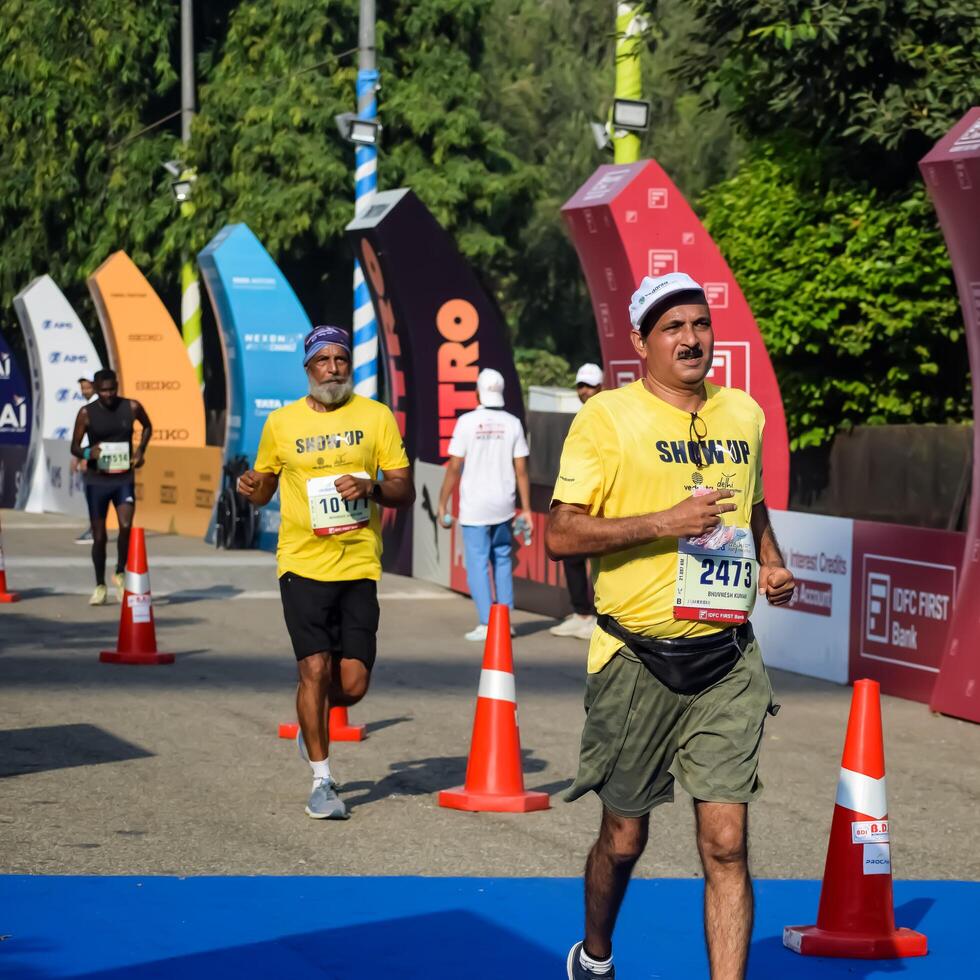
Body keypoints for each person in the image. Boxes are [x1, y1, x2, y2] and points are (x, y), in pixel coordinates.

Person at [546, 272, 795, 980]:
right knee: (624, 838)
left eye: (699, 323)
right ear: (640, 344)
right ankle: (594, 956)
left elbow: (751, 507)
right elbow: (561, 533)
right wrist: (665, 524)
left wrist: (770, 564)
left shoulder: (742, 414)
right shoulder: (606, 419)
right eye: (671, 328)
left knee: (726, 843)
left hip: (726, 659)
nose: (690, 338)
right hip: (635, 659)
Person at [237, 325, 414, 820]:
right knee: (313, 669)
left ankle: (309, 714)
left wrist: (371, 487)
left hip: (358, 562)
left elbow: (404, 489)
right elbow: (262, 488)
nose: (333, 368)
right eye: (323, 360)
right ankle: (322, 779)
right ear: (308, 368)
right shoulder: (282, 423)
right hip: (302, 561)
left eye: (341, 360)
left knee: (352, 685)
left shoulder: (376, 417)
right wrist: (249, 486)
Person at [437, 368, 531, 642]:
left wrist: (442, 503)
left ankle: (486, 622)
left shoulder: (466, 422)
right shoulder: (512, 422)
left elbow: (454, 466)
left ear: (477, 393)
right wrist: (525, 508)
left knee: (478, 563)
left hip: (475, 506)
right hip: (504, 503)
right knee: (501, 558)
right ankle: (505, 621)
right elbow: (521, 470)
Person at [70, 369, 152, 605]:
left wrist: (140, 450)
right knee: (99, 536)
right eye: (103, 390)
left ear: (117, 386)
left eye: (112, 389)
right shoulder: (87, 413)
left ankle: (119, 571)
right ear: (95, 389)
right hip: (97, 480)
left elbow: (148, 426)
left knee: (126, 526)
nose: (108, 394)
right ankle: (99, 585)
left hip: (123, 478)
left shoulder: (131, 407)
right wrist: (88, 452)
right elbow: (74, 447)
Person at [550, 362, 603, 640]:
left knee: (600, 558)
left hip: (599, 498)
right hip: (577, 494)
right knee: (572, 554)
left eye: (589, 386)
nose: (584, 391)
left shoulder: (605, 414)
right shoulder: (583, 415)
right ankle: (581, 613)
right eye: (581, 386)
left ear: (600, 387)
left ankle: (594, 617)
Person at [73, 377, 97, 544]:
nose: (84, 391)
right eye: (82, 388)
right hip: (87, 456)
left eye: (87, 387)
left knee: (94, 495)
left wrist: (85, 457)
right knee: (92, 495)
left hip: (92, 459)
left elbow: (94, 436)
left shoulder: (94, 408)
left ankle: (95, 530)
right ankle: (95, 528)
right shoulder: (87, 407)